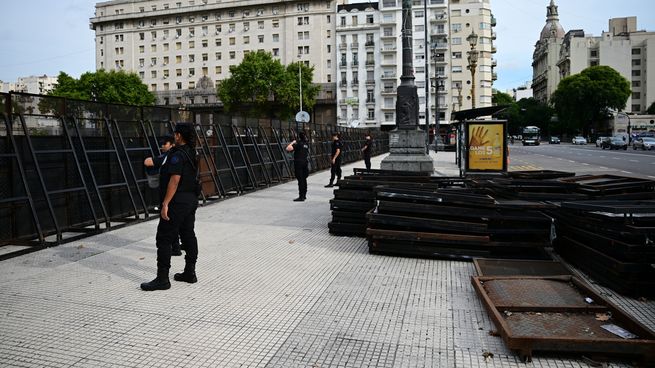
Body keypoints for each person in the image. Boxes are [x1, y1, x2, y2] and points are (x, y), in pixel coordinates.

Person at [141, 123, 199, 291]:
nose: (174, 135)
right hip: (191, 199)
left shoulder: (176, 156)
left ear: (179, 136)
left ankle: (162, 279)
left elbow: (175, 180)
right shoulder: (192, 152)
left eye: (175, 133)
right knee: (188, 234)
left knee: (164, 238)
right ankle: (190, 272)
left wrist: (165, 203)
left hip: (177, 201)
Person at [144, 135, 183, 256]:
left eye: (164, 143)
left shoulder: (168, 157)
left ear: (171, 144)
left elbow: (148, 162)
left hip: (169, 196)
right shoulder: (180, 154)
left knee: (165, 227)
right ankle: (176, 247)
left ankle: (169, 252)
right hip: (180, 196)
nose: (162, 146)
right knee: (174, 222)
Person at [286, 131, 310, 201]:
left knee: (300, 180)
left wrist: (293, 142)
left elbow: (288, 148)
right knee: (304, 179)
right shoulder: (306, 144)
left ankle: (301, 196)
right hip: (305, 162)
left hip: (298, 163)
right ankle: (304, 195)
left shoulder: (298, 144)